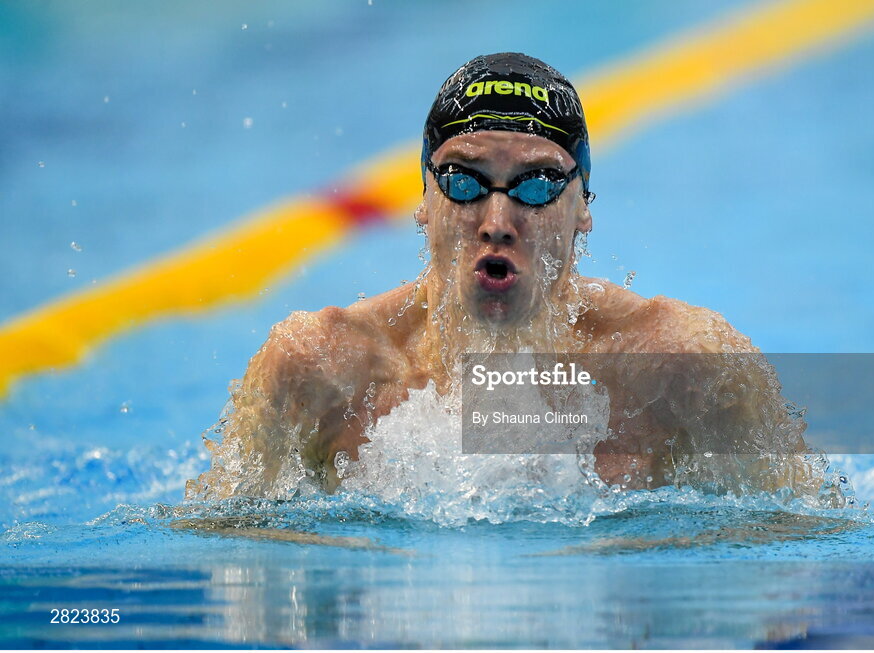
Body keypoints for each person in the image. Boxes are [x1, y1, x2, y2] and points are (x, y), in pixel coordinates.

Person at [187, 53, 829, 502]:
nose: (497, 220)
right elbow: (233, 563)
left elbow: (798, 550)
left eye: (538, 185)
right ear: (423, 198)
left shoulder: (685, 364)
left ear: (583, 210)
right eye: (464, 181)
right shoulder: (319, 369)